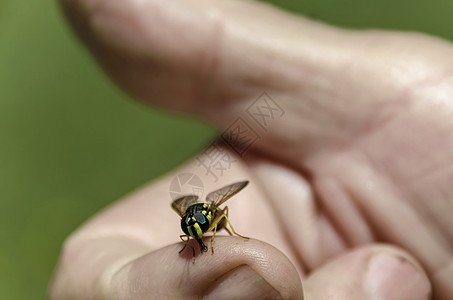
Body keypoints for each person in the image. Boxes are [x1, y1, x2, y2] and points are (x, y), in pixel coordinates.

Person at [49, 0, 453, 298]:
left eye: (196, 229)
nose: (195, 232)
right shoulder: (192, 220)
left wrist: (216, 234)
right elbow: (188, 214)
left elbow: (212, 209)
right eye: (194, 230)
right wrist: (195, 239)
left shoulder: (211, 213)